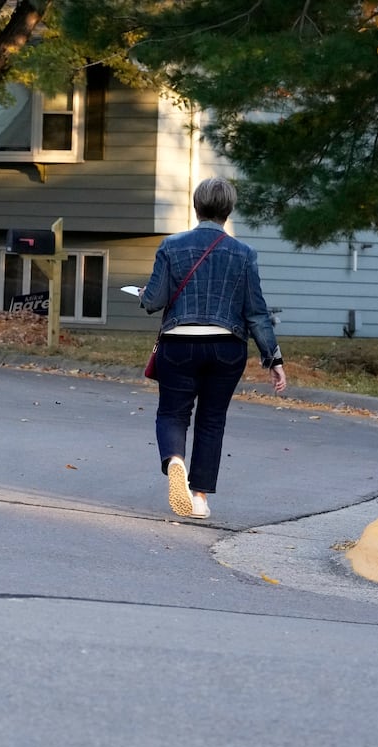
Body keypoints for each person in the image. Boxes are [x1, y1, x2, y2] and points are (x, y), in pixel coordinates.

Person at [140, 176, 286, 519]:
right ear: (229, 210)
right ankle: (201, 497)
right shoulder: (244, 254)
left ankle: (175, 459)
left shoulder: (170, 246)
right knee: (211, 420)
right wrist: (273, 358)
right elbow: (256, 312)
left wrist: (144, 295)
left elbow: (154, 301)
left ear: (196, 206)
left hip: (179, 344)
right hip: (226, 347)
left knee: (173, 412)